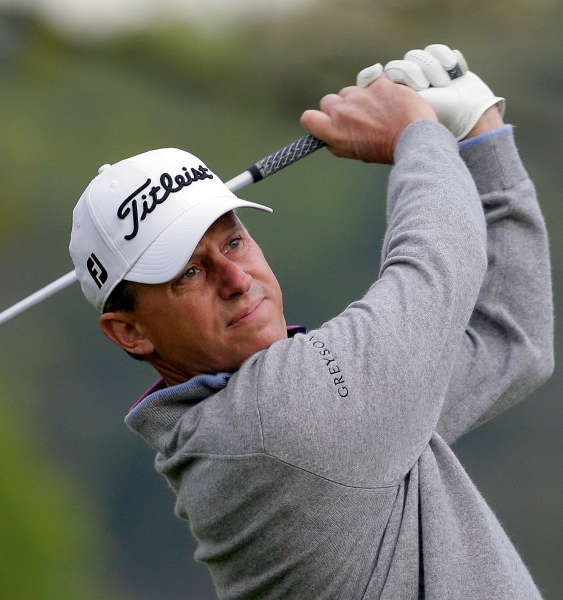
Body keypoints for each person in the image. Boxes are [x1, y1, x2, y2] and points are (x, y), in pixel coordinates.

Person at [69, 44, 553, 599]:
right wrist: (419, 134)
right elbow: (438, 268)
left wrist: (480, 133)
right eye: (189, 273)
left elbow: (511, 340)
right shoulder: (273, 423)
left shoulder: (333, 419)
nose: (236, 278)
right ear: (130, 332)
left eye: (234, 241)